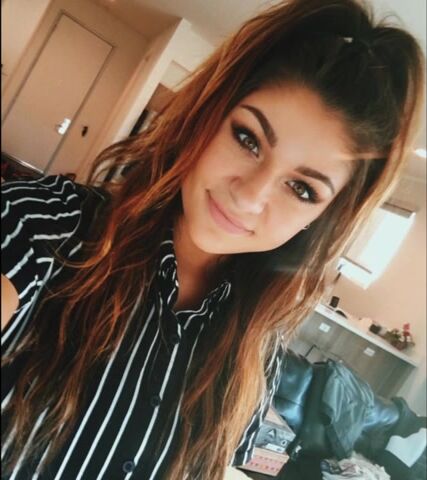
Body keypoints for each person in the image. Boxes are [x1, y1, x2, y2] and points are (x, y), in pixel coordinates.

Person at [1, 0, 425, 478]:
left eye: (302, 189)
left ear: (320, 220)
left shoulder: (254, 357)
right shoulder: (47, 228)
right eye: (248, 139)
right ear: (207, 119)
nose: (250, 196)